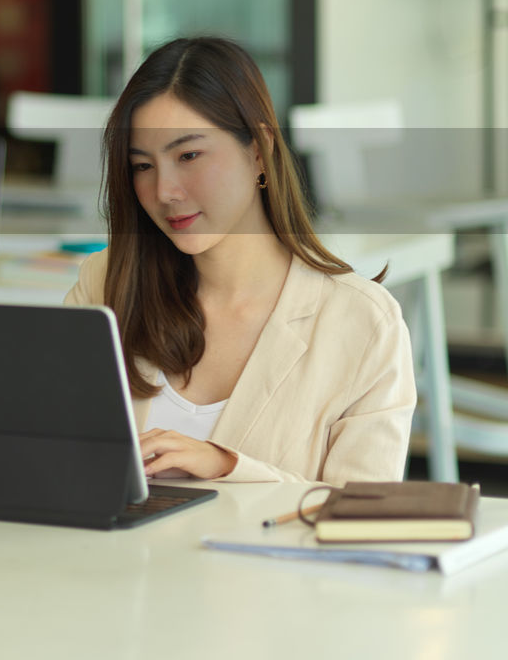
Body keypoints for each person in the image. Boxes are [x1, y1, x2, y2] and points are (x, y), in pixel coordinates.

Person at [64, 37, 415, 485]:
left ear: (258, 149)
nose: (165, 191)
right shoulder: (105, 283)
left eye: (188, 155)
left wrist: (227, 467)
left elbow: (360, 521)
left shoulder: (362, 323)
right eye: (143, 166)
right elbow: (58, 462)